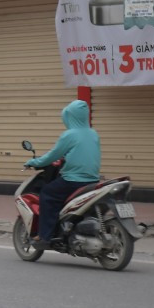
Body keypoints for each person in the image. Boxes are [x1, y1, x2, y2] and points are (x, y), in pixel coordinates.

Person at [24, 99, 101, 249]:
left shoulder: (69, 135)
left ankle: (45, 236)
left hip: (74, 180)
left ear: (69, 116)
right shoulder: (93, 133)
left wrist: (34, 162)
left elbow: (53, 155)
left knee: (47, 193)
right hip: (93, 180)